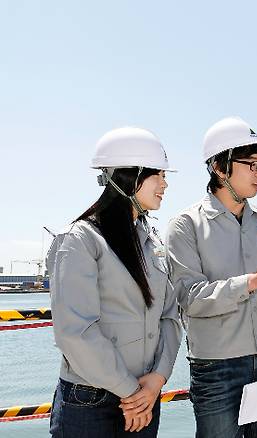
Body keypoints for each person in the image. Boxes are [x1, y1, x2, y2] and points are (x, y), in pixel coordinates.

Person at [167, 116, 257, 438]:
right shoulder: (185, 226)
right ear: (219, 168)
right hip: (216, 369)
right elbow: (190, 298)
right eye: (250, 165)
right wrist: (252, 282)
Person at [47, 127, 182, 437]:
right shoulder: (79, 241)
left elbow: (171, 316)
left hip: (145, 396)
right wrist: (131, 391)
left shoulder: (151, 241)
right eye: (157, 174)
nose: (165, 183)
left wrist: (158, 379)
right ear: (128, 176)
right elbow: (76, 332)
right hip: (92, 402)